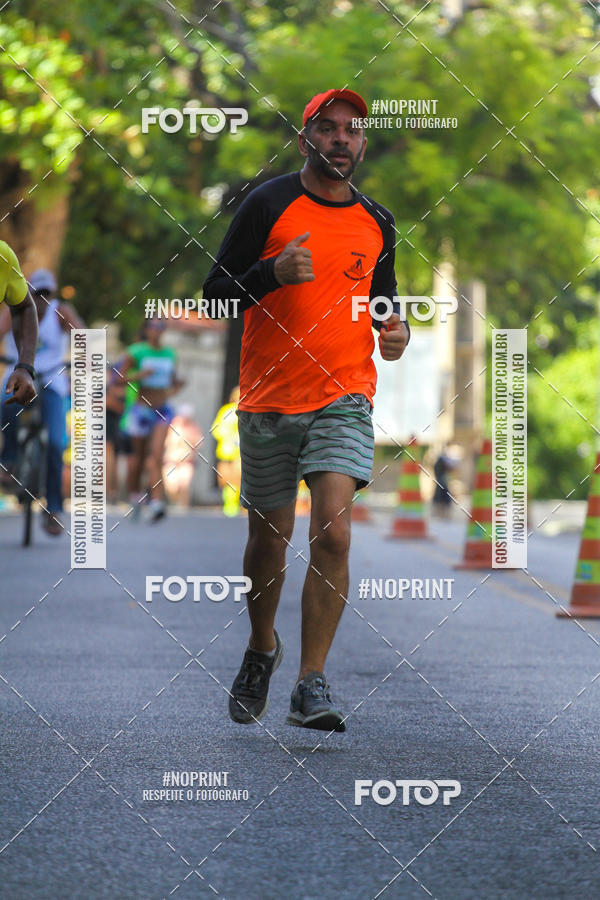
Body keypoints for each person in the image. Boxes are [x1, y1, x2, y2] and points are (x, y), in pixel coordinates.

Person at [203, 89, 410, 732]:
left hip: (344, 396)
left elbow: (381, 301)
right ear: (305, 140)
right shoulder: (268, 204)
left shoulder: (378, 221)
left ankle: (310, 682)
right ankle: (261, 646)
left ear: (363, 144)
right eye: (328, 128)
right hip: (268, 398)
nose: (341, 138)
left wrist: (395, 330)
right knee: (269, 541)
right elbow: (214, 297)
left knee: (335, 532)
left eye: (353, 129)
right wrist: (269, 273)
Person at [0, 266, 82, 536]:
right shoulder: (14, 309)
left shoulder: (61, 312)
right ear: (28, 292)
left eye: (47, 294)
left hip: (52, 380)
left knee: (57, 443)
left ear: (53, 295)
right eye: (36, 293)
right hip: (18, 374)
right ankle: (9, 460)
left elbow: (82, 337)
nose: (41, 300)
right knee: (5, 403)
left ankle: (54, 509)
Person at [121, 318, 183, 522]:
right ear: (146, 329)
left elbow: (173, 381)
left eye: (160, 327)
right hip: (141, 410)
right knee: (138, 458)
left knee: (156, 455)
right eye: (152, 327)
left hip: (162, 410)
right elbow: (118, 378)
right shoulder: (136, 351)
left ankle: (156, 502)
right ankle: (135, 495)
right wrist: (139, 375)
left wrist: (177, 386)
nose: (156, 331)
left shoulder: (170, 354)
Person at [163, 403, 203, 507]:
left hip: (186, 461)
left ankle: (183, 506)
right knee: (171, 487)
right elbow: (165, 442)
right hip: (172, 461)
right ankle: (174, 502)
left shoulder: (193, 428)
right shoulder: (172, 426)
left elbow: (199, 442)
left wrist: (189, 437)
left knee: (184, 485)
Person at [211, 387, 241, 517]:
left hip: (238, 455)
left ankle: (234, 507)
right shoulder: (227, 411)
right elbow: (216, 430)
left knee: (237, 481)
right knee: (228, 482)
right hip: (228, 453)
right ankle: (230, 508)